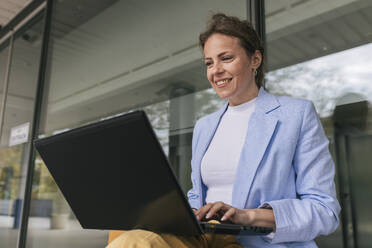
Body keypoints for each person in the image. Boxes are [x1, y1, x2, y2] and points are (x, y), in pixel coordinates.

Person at [107, 13, 340, 248]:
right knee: (128, 238)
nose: (215, 70)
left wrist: (246, 216)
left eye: (226, 58)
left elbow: (324, 211)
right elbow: (197, 196)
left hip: (254, 241)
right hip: (202, 237)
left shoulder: (296, 115)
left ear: (255, 60)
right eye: (209, 63)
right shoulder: (204, 126)